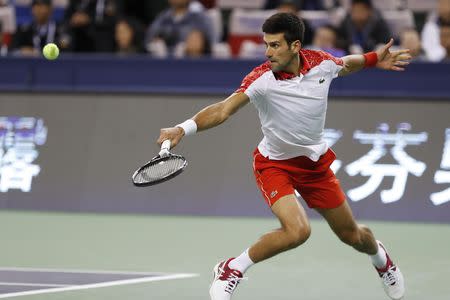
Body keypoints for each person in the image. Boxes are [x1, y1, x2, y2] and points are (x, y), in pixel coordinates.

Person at [157, 12, 408, 300]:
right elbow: (224, 109)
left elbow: (348, 64)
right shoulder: (261, 78)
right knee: (297, 231)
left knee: (352, 235)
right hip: (275, 165)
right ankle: (231, 268)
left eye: (275, 45)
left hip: (315, 167)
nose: (268, 52)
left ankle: (382, 261)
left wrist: (375, 59)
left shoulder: (322, 63)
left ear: (296, 46)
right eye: (266, 44)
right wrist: (183, 128)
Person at [145, 0, 214, 57]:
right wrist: (155, 43)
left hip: (193, 64)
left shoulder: (200, 18)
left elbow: (214, 46)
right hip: (164, 64)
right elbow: (148, 42)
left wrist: (201, 45)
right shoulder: (162, 18)